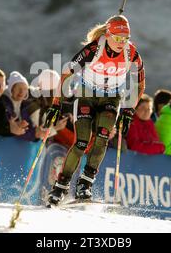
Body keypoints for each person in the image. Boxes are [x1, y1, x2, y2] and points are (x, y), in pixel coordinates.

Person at [44, 14, 145, 205]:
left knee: (102, 136)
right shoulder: (94, 49)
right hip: (86, 95)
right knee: (82, 141)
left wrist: (129, 109)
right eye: (117, 38)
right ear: (108, 34)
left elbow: (140, 83)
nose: (121, 43)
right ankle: (61, 186)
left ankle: (85, 183)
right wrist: (56, 104)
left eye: (125, 39)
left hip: (111, 97)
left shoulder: (131, 53)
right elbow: (67, 73)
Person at [2, 71, 46, 141]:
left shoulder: (23, 107)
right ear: (11, 88)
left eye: (25, 89)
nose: (21, 92)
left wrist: (37, 132)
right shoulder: (4, 103)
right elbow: (10, 131)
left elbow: (28, 129)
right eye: (18, 88)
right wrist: (34, 134)